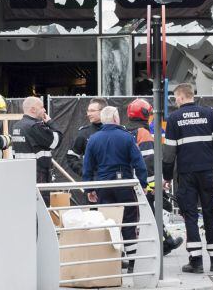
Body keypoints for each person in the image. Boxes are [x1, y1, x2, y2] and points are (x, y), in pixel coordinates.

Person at [163, 83, 213, 274]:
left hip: (186, 174)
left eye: (175, 98)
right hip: (207, 172)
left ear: (182, 97)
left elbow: (169, 153)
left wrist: (167, 176)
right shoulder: (209, 114)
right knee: (209, 213)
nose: (175, 102)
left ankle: (196, 262)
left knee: (189, 215)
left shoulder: (174, 119)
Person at [83, 106, 148, 273]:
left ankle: (112, 263)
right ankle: (132, 263)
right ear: (115, 119)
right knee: (129, 222)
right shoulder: (126, 137)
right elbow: (139, 163)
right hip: (124, 186)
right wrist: (142, 184)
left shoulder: (93, 139)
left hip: (103, 187)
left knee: (108, 223)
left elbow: (87, 167)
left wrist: (89, 189)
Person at [126, 98, 183, 256]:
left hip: (131, 182)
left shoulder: (126, 131)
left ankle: (165, 241)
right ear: (144, 115)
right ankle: (165, 243)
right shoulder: (143, 133)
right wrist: (152, 186)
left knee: (143, 214)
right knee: (152, 213)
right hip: (143, 184)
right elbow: (148, 162)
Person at [11, 96, 63, 205]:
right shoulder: (34, 126)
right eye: (42, 107)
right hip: (38, 174)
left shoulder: (17, 126)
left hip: (22, 174)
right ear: (33, 109)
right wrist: (50, 122)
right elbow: (56, 141)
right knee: (41, 207)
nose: (44, 110)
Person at [66, 97, 108, 177]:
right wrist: (84, 172)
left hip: (114, 181)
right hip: (93, 183)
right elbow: (72, 156)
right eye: (88, 111)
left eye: (92, 111)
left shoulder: (117, 131)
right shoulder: (84, 132)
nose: (88, 114)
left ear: (103, 111)